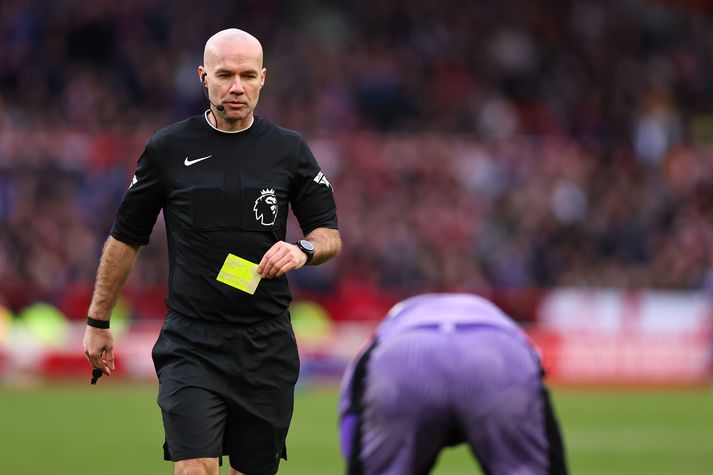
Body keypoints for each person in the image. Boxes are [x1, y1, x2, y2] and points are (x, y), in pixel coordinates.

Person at [83, 28, 341, 475]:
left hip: (266, 345)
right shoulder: (168, 148)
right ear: (204, 77)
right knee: (195, 468)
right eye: (224, 75)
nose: (236, 87)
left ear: (264, 78)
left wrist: (302, 248)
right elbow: (126, 236)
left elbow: (329, 235)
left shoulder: (289, 150)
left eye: (246, 75)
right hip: (191, 342)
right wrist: (98, 321)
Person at [339, 293, 569, 475]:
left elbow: (353, 407)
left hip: (406, 349)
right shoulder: (497, 319)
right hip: (495, 347)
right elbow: (534, 374)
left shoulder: (389, 326)